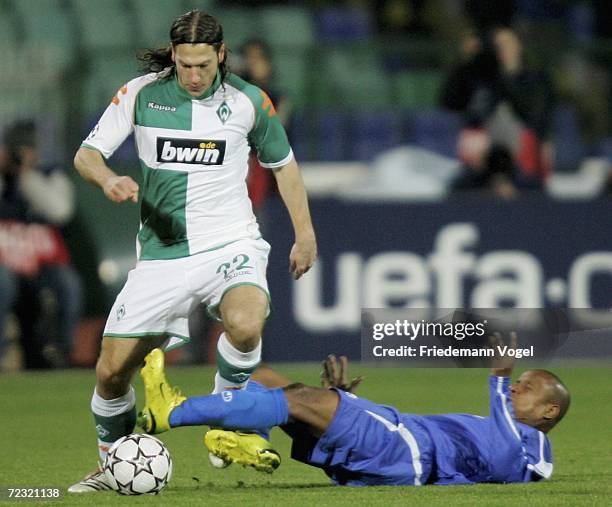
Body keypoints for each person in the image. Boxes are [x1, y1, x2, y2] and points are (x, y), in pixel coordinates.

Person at [68, 10, 317, 492]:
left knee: (246, 323)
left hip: (230, 242)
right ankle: (112, 465)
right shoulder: (141, 94)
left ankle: (223, 421)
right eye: (185, 65)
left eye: (204, 64)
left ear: (221, 55)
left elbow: (284, 166)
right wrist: (108, 178)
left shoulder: (248, 101)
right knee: (111, 371)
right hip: (163, 255)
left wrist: (305, 234)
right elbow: (86, 154)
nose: (195, 75)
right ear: (174, 58)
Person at [135, 335, 569, 487]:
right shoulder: (505, 432)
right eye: (514, 382)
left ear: (549, 411)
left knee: (301, 398)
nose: (515, 387)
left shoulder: (531, 449)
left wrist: (496, 378)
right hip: (396, 447)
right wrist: (343, 400)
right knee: (270, 380)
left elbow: (506, 459)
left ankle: (170, 411)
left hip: (406, 449)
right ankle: (250, 440)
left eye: (526, 387)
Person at [0, 120, 83, 369]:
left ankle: (60, 356)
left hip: (44, 265)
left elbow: (61, 212)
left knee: (68, 284)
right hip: (6, 264)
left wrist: (27, 175)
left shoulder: (50, 175)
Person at [442, 27, 554, 198]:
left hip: (524, 152)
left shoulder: (535, 78)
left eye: (506, 43)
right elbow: (451, 103)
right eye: (497, 45)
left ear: (518, 46)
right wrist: (466, 62)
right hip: (484, 156)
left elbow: (535, 116)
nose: (502, 48)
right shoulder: (481, 78)